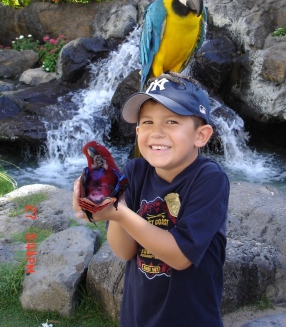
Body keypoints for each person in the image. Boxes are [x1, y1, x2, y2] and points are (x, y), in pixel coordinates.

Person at [73, 72, 230, 327]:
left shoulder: (209, 179)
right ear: (137, 131)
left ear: (201, 135)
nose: (156, 132)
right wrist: (103, 203)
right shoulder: (135, 172)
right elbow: (124, 251)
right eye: (147, 122)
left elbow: (180, 257)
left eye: (171, 121)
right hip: (137, 317)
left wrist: (118, 213)